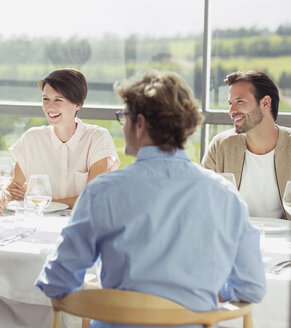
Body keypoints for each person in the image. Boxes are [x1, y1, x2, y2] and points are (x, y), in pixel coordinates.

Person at [36, 71, 266, 328]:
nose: (122, 126)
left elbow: (56, 282)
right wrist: (196, 298)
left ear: (140, 123)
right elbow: (251, 287)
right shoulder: (226, 196)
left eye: (124, 117)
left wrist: (103, 291)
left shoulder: (103, 192)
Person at [0, 68, 119, 214]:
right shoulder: (32, 138)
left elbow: (92, 197)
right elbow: (12, 189)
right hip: (40, 223)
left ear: (78, 104)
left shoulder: (97, 138)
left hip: (83, 225)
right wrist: (0, 196)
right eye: (45, 99)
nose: (49, 107)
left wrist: (39, 202)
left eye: (58, 100)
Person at [202, 70, 291, 220]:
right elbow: (203, 200)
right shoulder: (221, 146)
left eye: (240, 101)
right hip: (235, 239)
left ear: (265, 103)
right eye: (230, 103)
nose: (231, 111)